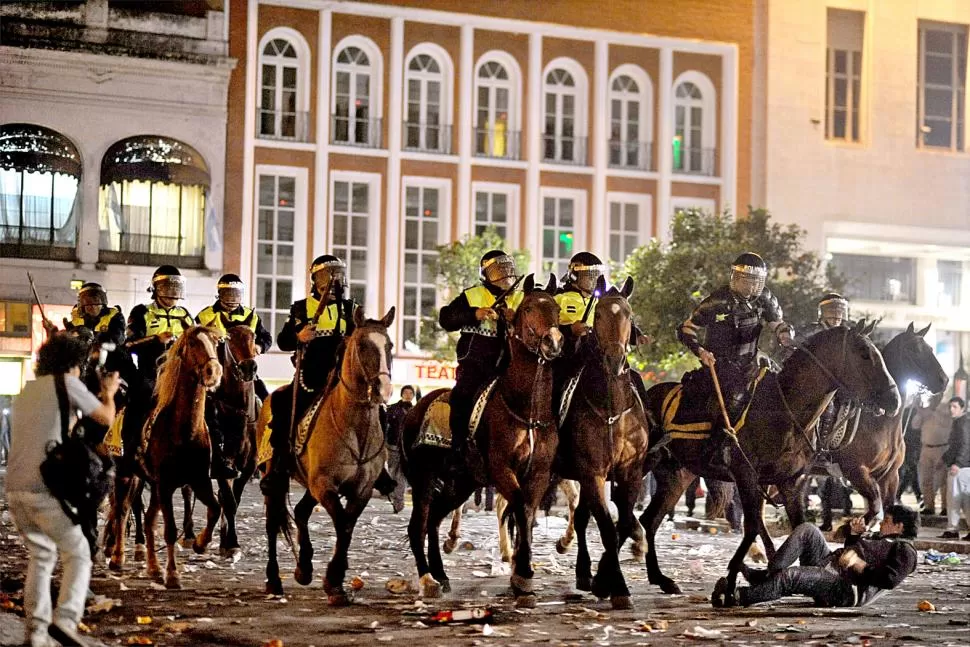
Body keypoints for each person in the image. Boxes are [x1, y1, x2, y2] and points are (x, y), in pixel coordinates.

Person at [7, 333, 120, 647]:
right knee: (78, 553)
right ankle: (66, 620)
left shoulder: (26, 391)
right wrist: (108, 391)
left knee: (41, 556)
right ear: (73, 363)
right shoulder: (66, 384)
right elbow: (104, 417)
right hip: (46, 486)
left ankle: (36, 634)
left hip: (16, 489)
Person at [260, 255, 395, 497]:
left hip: (345, 377)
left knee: (379, 410)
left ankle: (379, 466)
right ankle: (279, 465)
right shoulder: (302, 308)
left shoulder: (352, 309)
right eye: (328, 276)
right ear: (316, 280)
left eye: (339, 275)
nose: (335, 281)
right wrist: (299, 336)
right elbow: (283, 340)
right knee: (282, 404)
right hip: (312, 374)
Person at [677, 252, 794, 467]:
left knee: (778, 393)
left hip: (751, 363)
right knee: (733, 397)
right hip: (719, 364)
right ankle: (717, 445)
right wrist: (700, 351)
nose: (749, 286)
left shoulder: (766, 299)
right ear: (734, 277)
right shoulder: (718, 300)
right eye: (744, 280)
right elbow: (686, 328)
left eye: (754, 281)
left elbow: (777, 323)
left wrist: (785, 334)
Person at [718, 504, 919, 608]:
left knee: (790, 577)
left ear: (899, 527)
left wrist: (860, 565)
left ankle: (736, 597)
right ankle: (767, 575)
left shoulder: (905, 551)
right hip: (830, 566)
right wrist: (855, 535)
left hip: (845, 589)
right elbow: (851, 552)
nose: (882, 523)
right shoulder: (879, 537)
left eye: (887, 521)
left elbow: (889, 580)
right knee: (808, 529)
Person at [439, 250, 523, 457]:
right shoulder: (472, 294)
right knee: (462, 396)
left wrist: (515, 318)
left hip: (512, 366)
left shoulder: (522, 297)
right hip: (477, 364)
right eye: (498, 270)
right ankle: (458, 447)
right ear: (486, 274)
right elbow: (446, 319)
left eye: (507, 268)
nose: (504, 274)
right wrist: (474, 314)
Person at [196, 273, 273, 476]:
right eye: (227, 293)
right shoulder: (205, 316)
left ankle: (267, 450)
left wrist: (258, 346)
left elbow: (266, 338)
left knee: (267, 400)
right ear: (220, 294)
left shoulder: (251, 316)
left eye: (235, 293)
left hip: (245, 372)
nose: (232, 298)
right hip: (215, 372)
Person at [554, 251, 651, 404]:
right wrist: (570, 331)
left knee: (635, 378)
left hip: (599, 356)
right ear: (574, 275)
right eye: (590, 275)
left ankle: (650, 421)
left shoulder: (602, 302)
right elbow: (550, 328)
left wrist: (636, 336)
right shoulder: (559, 299)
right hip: (570, 356)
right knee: (558, 383)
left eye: (596, 276)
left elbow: (616, 323)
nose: (594, 280)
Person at [938, 396, 970, 540]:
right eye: (950, 406)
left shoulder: (961, 424)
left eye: (955, 407)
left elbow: (964, 444)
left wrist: (957, 463)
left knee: (954, 499)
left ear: (962, 408)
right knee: (965, 500)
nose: (951, 410)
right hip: (964, 466)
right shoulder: (962, 422)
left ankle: (952, 529)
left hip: (960, 467)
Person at [63, 282, 126, 347]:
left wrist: (94, 336)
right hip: (82, 355)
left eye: (96, 301)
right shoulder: (76, 318)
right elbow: (70, 345)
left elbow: (119, 339)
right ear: (81, 304)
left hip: (108, 355)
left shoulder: (114, 316)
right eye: (88, 302)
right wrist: (68, 334)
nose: (93, 306)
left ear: (102, 302)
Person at [384, 385, 416, 513]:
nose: (408, 395)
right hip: (392, 446)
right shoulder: (392, 410)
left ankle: (398, 500)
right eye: (406, 393)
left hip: (408, 448)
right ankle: (395, 496)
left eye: (410, 393)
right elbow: (386, 428)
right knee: (393, 472)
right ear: (402, 394)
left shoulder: (416, 410)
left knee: (402, 474)